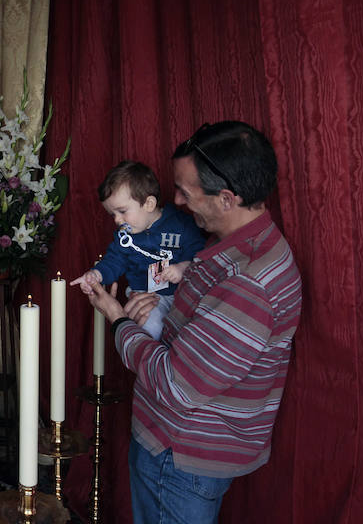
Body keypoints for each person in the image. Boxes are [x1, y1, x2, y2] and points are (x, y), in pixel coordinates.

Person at [85, 121, 302, 524]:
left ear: (225, 198)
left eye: (186, 191)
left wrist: (119, 321)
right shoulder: (231, 245)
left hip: (180, 454)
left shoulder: (249, 281)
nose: (178, 202)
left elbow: (176, 385)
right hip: (181, 447)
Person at [70, 160, 205, 339]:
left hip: (185, 295)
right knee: (150, 328)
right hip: (146, 297)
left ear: (148, 204)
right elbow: (114, 261)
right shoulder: (125, 237)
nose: (117, 220)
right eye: (113, 214)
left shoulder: (182, 225)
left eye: (122, 211)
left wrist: (183, 267)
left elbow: (201, 253)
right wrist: (96, 275)